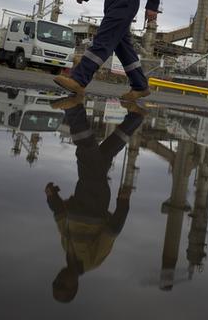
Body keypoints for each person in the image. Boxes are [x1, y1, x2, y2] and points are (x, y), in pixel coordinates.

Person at [45, 96, 145, 303]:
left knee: (103, 153)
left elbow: (61, 220)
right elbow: (112, 231)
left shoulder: (68, 251)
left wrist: (52, 198)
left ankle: (136, 117)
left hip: (81, 194)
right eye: (63, 285)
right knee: (85, 153)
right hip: (95, 201)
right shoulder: (91, 261)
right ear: (75, 287)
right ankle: (74, 110)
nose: (59, 280)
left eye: (56, 283)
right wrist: (123, 203)